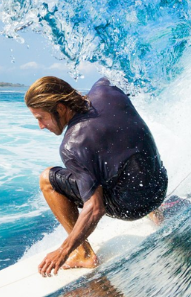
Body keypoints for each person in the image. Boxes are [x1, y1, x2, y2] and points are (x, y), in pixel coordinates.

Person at [26, 76, 168, 276]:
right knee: (116, 151)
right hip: (159, 188)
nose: (41, 125)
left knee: (47, 179)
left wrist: (63, 251)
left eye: (41, 117)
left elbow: (95, 208)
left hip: (132, 208)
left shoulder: (72, 145)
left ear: (60, 108)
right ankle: (157, 213)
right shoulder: (106, 89)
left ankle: (83, 254)